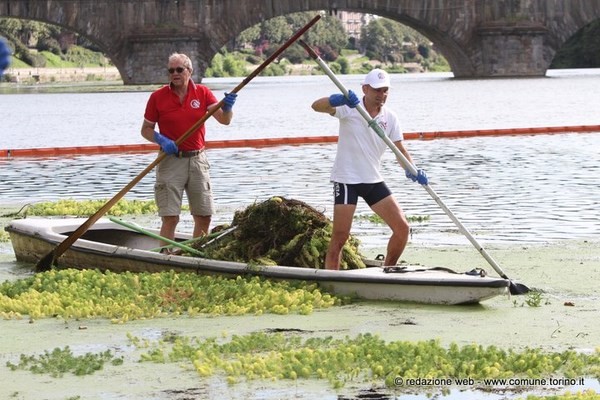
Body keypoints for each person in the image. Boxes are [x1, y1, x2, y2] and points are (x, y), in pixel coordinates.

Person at [311, 68, 428, 270]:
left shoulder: (390, 118)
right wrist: (336, 100)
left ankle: (387, 271)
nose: (381, 96)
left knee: (402, 228)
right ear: (365, 89)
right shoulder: (350, 107)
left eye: (385, 91)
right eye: (376, 90)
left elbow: (399, 149)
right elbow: (316, 106)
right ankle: (332, 280)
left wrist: (413, 169)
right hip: (347, 180)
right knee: (340, 236)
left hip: (372, 180)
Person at [141, 52, 237, 248]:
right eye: (171, 70)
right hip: (170, 160)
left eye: (179, 69)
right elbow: (146, 130)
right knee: (170, 217)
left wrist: (227, 108)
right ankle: (165, 256)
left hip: (197, 160)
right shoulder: (157, 97)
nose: (175, 74)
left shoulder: (202, 93)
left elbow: (224, 121)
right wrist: (161, 139)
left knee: (203, 215)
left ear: (189, 71)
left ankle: (195, 254)